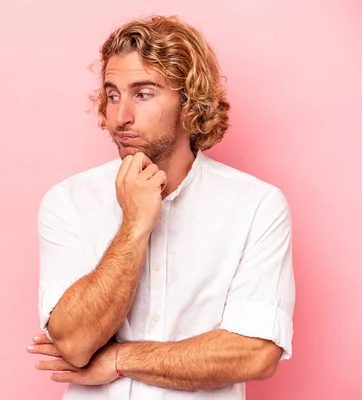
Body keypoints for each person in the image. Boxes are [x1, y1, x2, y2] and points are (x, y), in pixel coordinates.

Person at [26, 14, 295, 400]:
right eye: (113, 94)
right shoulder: (68, 201)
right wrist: (134, 224)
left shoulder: (256, 206)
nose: (121, 117)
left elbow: (254, 353)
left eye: (143, 93)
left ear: (189, 102)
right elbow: (74, 343)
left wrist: (120, 357)